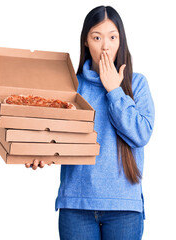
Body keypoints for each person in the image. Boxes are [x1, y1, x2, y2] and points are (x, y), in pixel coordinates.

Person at [25, 5, 155, 240]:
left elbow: (141, 134)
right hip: (76, 205)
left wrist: (114, 90)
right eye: (97, 37)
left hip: (124, 207)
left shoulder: (137, 84)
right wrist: (40, 152)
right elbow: (54, 135)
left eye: (112, 37)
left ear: (121, 41)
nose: (105, 46)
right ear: (86, 41)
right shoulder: (71, 85)